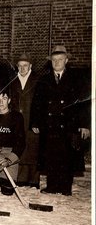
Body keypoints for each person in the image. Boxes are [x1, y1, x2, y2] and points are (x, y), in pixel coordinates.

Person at [30, 45, 90, 196]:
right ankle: (52, 186)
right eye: (54, 60)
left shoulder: (76, 79)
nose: (57, 62)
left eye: (60, 59)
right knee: (51, 156)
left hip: (69, 124)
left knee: (67, 156)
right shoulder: (44, 80)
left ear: (66, 60)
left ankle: (65, 188)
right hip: (49, 124)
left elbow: (83, 103)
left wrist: (84, 125)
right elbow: (36, 103)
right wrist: (35, 122)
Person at [0, 90, 25, 195]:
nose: (1, 102)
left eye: (4, 98)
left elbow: (21, 143)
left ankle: (1, 180)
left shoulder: (17, 117)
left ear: (9, 100)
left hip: (8, 153)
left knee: (7, 190)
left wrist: (8, 160)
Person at [9, 53, 40, 188]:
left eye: (25, 66)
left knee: (33, 148)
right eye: (20, 66)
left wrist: (37, 122)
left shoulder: (37, 80)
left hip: (32, 119)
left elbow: (41, 103)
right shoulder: (12, 80)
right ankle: (21, 178)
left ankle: (33, 180)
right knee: (20, 145)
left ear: (30, 66)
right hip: (17, 120)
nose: (22, 69)